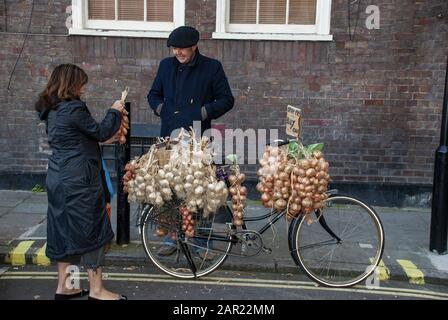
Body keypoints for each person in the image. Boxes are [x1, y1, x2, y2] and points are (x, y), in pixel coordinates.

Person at [35, 64, 127, 300]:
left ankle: (65, 287)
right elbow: (100, 131)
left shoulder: (52, 109)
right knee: (91, 230)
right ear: (72, 84)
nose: (83, 88)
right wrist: (114, 111)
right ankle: (97, 291)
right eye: (82, 83)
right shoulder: (74, 108)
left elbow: (74, 140)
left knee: (63, 231)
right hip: (80, 181)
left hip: (58, 177)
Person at [147, 26, 234, 258]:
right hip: (169, 139)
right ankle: (171, 239)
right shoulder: (166, 66)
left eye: (182, 48)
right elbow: (153, 94)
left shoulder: (212, 67)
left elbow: (227, 99)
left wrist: (203, 112)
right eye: (174, 48)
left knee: (201, 191)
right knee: (171, 191)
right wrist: (161, 109)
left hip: (199, 141)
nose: (177, 52)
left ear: (194, 46)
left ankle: (201, 243)